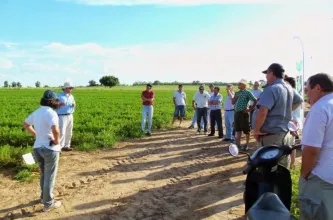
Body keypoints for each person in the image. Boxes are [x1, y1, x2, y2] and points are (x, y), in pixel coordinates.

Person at [253, 63, 303, 169]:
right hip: (285, 134)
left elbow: (262, 112)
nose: (266, 76)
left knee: (269, 168)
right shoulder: (288, 87)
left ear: (272, 73)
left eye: (267, 74)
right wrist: (286, 109)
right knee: (282, 167)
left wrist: (256, 130)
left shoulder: (271, 88)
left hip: (271, 135)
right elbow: (300, 100)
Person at [298, 73, 333, 220]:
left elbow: (311, 150)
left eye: (307, 90)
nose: (306, 95)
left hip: (321, 179)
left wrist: (304, 175)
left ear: (317, 88)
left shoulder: (320, 108)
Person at [23, 90, 62, 212]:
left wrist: (36, 135)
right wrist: (57, 142)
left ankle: (43, 198)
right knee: (49, 177)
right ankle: (48, 203)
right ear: (52, 101)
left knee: (44, 174)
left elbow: (26, 124)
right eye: (56, 100)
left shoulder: (37, 112)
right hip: (50, 149)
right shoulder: (52, 113)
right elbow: (56, 130)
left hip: (37, 148)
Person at [232, 79, 257, 150]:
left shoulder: (247, 92)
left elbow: (255, 100)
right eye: (238, 83)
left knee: (246, 130)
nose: (238, 85)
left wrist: (250, 109)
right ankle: (238, 144)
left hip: (243, 113)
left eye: (240, 84)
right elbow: (233, 102)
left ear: (244, 85)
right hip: (236, 113)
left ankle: (247, 144)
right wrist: (236, 97)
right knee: (238, 129)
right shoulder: (237, 93)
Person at [284, 76, 303, 168]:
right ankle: (291, 164)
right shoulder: (292, 91)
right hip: (293, 120)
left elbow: (300, 100)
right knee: (291, 143)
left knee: (290, 144)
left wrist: (288, 109)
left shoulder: (292, 91)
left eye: (285, 82)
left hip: (292, 121)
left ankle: (291, 164)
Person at [56, 82, 76, 151]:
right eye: (70, 88)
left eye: (71, 88)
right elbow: (54, 105)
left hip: (70, 115)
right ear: (65, 88)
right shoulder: (58, 96)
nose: (71, 89)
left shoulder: (71, 96)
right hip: (61, 116)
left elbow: (74, 104)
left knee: (69, 132)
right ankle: (59, 148)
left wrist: (74, 105)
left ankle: (67, 146)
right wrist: (60, 104)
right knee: (62, 132)